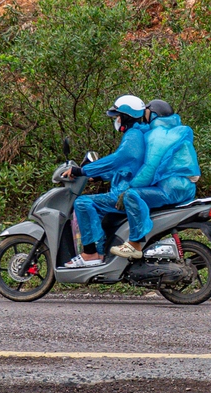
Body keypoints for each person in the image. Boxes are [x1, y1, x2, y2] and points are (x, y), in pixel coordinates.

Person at [108, 99, 200, 260]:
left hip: (172, 188)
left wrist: (129, 188)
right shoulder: (172, 130)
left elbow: (149, 168)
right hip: (182, 187)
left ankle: (134, 244)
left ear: (153, 114)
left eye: (147, 113)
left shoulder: (159, 135)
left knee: (132, 196)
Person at [62, 94, 147, 268]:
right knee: (93, 205)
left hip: (122, 193)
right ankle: (103, 249)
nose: (115, 120)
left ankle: (91, 253)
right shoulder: (137, 135)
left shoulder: (134, 136)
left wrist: (83, 170)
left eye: (117, 117)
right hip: (126, 187)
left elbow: (116, 160)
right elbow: (124, 169)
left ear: (126, 116)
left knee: (82, 202)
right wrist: (99, 176)